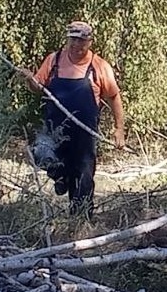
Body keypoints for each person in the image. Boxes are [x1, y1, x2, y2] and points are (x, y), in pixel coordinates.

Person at [18, 21, 125, 217]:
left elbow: (114, 96)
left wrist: (119, 129)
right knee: (40, 152)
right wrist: (28, 79)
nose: (76, 46)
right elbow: (37, 86)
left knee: (83, 175)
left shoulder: (98, 66)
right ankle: (62, 177)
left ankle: (80, 219)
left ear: (90, 42)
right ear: (67, 39)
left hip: (84, 134)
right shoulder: (54, 60)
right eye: (73, 40)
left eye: (81, 41)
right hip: (54, 130)